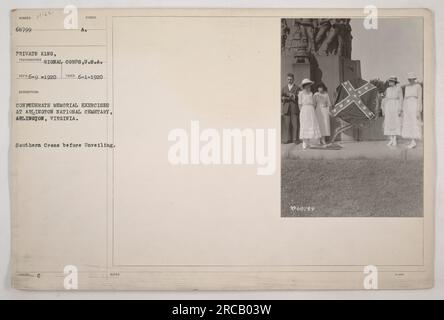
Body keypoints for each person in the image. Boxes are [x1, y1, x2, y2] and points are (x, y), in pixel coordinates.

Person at [298, 79, 321, 149]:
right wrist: (302, 112)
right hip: (304, 110)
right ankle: (304, 142)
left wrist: (313, 110)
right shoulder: (300, 93)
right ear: (304, 86)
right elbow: (299, 104)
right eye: (307, 85)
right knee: (305, 125)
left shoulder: (311, 93)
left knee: (311, 125)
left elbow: (313, 103)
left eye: (309, 85)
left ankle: (310, 142)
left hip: (311, 110)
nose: (308, 87)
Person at [401, 72, 423, 148]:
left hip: (414, 105)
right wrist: (403, 109)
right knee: (409, 122)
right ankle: (411, 140)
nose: (410, 80)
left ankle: (413, 141)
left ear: (414, 79)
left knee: (414, 122)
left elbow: (419, 98)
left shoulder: (418, 86)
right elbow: (404, 98)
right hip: (407, 105)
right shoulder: (407, 87)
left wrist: (418, 110)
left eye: (411, 79)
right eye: (409, 79)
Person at [382, 76, 403, 147]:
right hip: (389, 106)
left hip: (395, 105)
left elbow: (401, 99)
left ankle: (394, 139)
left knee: (395, 121)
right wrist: (384, 109)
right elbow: (385, 99)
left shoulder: (398, 88)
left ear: (395, 82)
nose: (390, 82)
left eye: (391, 81)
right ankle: (391, 139)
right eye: (389, 81)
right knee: (389, 122)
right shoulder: (387, 89)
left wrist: (400, 109)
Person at [281, 73, 300, 144]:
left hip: (294, 108)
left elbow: (299, 97)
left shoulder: (297, 88)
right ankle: (287, 139)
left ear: (293, 79)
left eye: (291, 79)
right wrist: (284, 98)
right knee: (286, 124)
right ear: (287, 79)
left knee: (295, 124)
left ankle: (295, 139)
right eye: (288, 79)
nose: (289, 81)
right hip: (286, 108)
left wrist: (293, 96)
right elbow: (280, 97)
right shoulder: (284, 88)